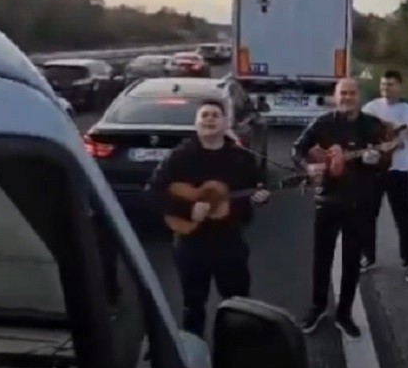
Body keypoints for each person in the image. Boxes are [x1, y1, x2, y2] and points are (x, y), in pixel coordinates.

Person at [148, 99, 270, 337]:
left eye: (215, 115)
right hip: (191, 244)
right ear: (196, 124)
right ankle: (195, 355)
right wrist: (187, 210)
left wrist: (261, 198)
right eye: (204, 115)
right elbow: (152, 193)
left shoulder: (241, 157)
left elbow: (257, 189)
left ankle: (236, 350)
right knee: (193, 306)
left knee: (238, 305)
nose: (209, 119)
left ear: (225, 123)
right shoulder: (179, 157)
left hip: (230, 241)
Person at [291, 78, 388, 339]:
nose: (347, 97)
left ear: (359, 96)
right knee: (321, 258)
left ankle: (344, 313)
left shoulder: (373, 125)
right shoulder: (323, 123)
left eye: (352, 93)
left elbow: (385, 161)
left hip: (360, 202)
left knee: (352, 261)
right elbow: (297, 149)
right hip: (327, 201)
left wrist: (376, 160)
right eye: (342, 93)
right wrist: (307, 167)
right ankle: (317, 307)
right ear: (335, 96)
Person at [360, 69, 408, 283]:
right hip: (373, 171)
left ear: (400, 87)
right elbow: (362, 135)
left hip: (399, 171)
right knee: (368, 216)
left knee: (403, 219)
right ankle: (368, 257)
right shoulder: (370, 108)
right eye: (383, 85)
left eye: (390, 85)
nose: (386, 89)